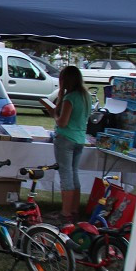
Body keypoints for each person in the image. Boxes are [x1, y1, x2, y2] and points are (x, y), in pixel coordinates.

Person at [46, 65, 90, 223]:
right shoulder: (86, 96)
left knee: (66, 175)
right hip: (79, 138)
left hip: (66, 138)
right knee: (73, 173)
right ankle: (74, 210)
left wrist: (54, 115)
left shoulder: (70, 98)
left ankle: (65, 213)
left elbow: (63, 122)